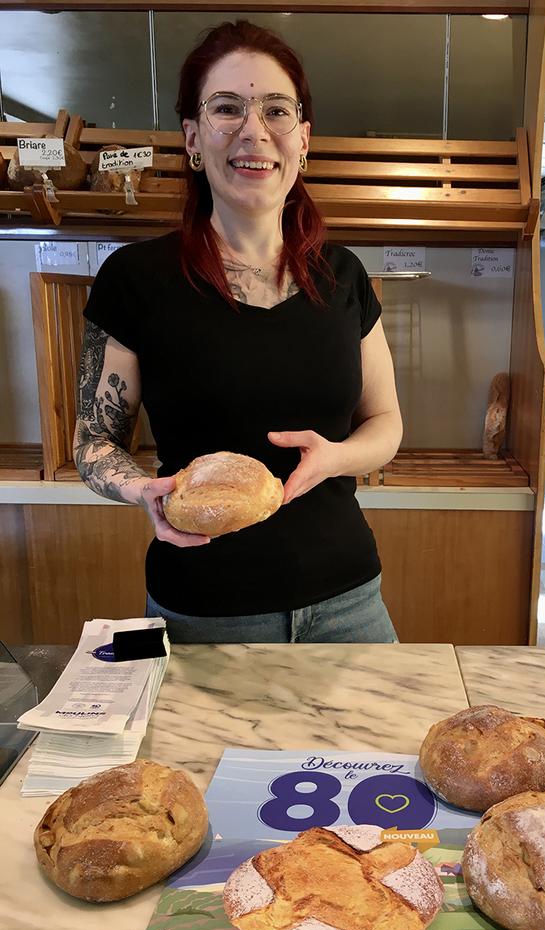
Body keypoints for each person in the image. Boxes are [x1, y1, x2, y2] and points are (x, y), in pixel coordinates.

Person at [74, 20, 402, 644]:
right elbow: (93, 442)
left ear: (302, 139)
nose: (254, 130)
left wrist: (334, 457)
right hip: (204, 610)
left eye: (276, 110)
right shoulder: (136, 279)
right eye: (228, 108)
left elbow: (385, 422)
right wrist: (145, 489)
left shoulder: (343, 275)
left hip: (348, 603)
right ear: (194, 139)